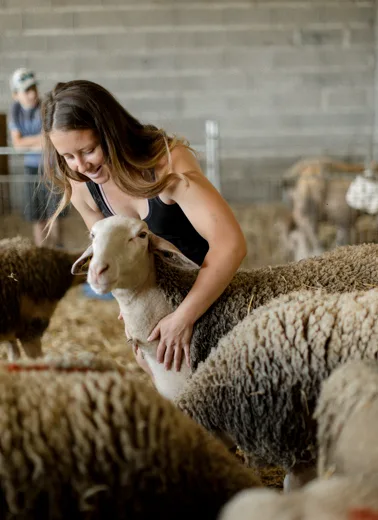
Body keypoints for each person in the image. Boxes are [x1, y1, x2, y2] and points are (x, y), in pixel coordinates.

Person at [41, 79, 247, 375]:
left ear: (110, 132)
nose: (80, 166)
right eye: (67, 156)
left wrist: (183, 319)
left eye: (88, 150)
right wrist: (133, 313)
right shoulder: (82, 186)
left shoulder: (167, 162)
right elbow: (108, 257)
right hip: (156, 317)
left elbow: (231, 244)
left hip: (211, 299)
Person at [8, 68, 64, 247]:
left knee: (54, 213)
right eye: (26, 90)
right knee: (36, 215)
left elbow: (48, 138)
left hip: (50, 166)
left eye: (33, 88)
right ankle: (41, 250)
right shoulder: (15, 111)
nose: (32, 94)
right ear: (16, 95)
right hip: (31, 168)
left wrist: (28, 141)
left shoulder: (46, 106)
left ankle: (57, 251)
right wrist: (37, 140)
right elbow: (17, 144)